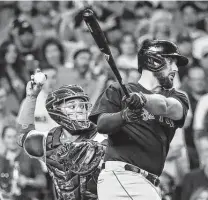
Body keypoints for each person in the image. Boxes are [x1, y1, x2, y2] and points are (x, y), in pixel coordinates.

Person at [89, 39, 189, 200]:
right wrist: (124, 116)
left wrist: (143, 99)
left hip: (148, 182)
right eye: (171, 62)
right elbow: (102, 125)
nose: (176, 69)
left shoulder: (177, 97)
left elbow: (167, 107)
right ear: (154, 61)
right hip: (122, 176)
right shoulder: (119, 90)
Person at [16, 70, 106, 200]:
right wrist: (31, 97)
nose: (79, 110)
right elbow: (22, 136)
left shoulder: (102, 136)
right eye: (72, 106)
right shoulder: (48, 141)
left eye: (82, 106)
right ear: (56, 110)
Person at [0, 125, 46, 200]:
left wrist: (28, 181)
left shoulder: (30, 157)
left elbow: (43, 182)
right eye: (9, 137)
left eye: (15, 136)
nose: (12, 140)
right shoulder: (1, 159)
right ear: (3, 139)